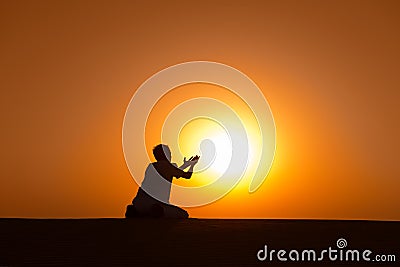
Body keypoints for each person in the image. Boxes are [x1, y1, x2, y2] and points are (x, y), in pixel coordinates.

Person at [127, 144, 199, 219]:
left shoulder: (151, 166)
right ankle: (155, 212)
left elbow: (172, 172)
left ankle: (138, 212)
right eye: (169, 153)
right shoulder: (168, 167)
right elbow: (187, 175)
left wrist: (185, 165)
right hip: (156, 205)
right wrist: (192, 165)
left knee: (146, 210)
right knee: (183, 214)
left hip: (139, 203)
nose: (171, 155)